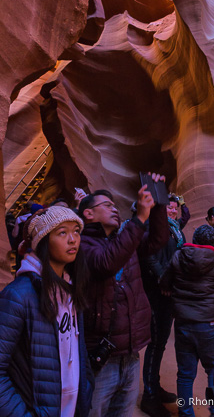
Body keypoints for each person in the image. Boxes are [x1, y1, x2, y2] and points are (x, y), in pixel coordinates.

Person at [78, 176, 169, 417]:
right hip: (100, 357)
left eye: (114, 205)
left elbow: (158, 240)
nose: (114, 208)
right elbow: (107, 262)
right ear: (88, 214)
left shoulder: (124, 240)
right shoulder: (82, 245)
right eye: (107, 205)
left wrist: (158, 205)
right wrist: (138, 218)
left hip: (130, 353)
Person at [0, 206, 93, 417]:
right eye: (62, 232)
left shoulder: (70, 289)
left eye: (76, 231)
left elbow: (78, 350)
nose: (73, 239)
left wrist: (86, 388)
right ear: (42, 241)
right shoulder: (18, 296)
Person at [160, 224, 214, 417]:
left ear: (194, 238)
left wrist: (171, 290)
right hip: (210, 324)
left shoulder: (178, 256)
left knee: (185, 374)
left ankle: (185, 412)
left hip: (183, 323)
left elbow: (164, 282)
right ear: (213, 242)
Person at [140, 193, 191, 417]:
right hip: (156, 290)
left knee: (160, 343)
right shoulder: (154, 228)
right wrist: (163, 279)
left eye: (174, 209)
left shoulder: (175, 229)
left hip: (169, 290)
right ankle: (149, 397)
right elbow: (149, 256)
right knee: (155, 343)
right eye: (168, 208)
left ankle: (155, 387)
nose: (173, 211)